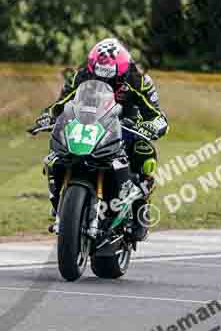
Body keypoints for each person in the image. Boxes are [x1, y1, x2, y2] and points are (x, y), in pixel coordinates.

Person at [33, 38, 169, 241]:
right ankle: (59, 203)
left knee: (144, 152)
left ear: (122, 72)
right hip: (87, 123)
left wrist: (151, 126)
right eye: (98, 77)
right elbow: (61, 103)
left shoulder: (138, 80)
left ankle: (141, 209)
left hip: (124, 126)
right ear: (91, 67)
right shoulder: (80, 76)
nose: (105, 83)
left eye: (111, 80)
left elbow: (158, 116)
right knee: (55, 156)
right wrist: (48, 115)